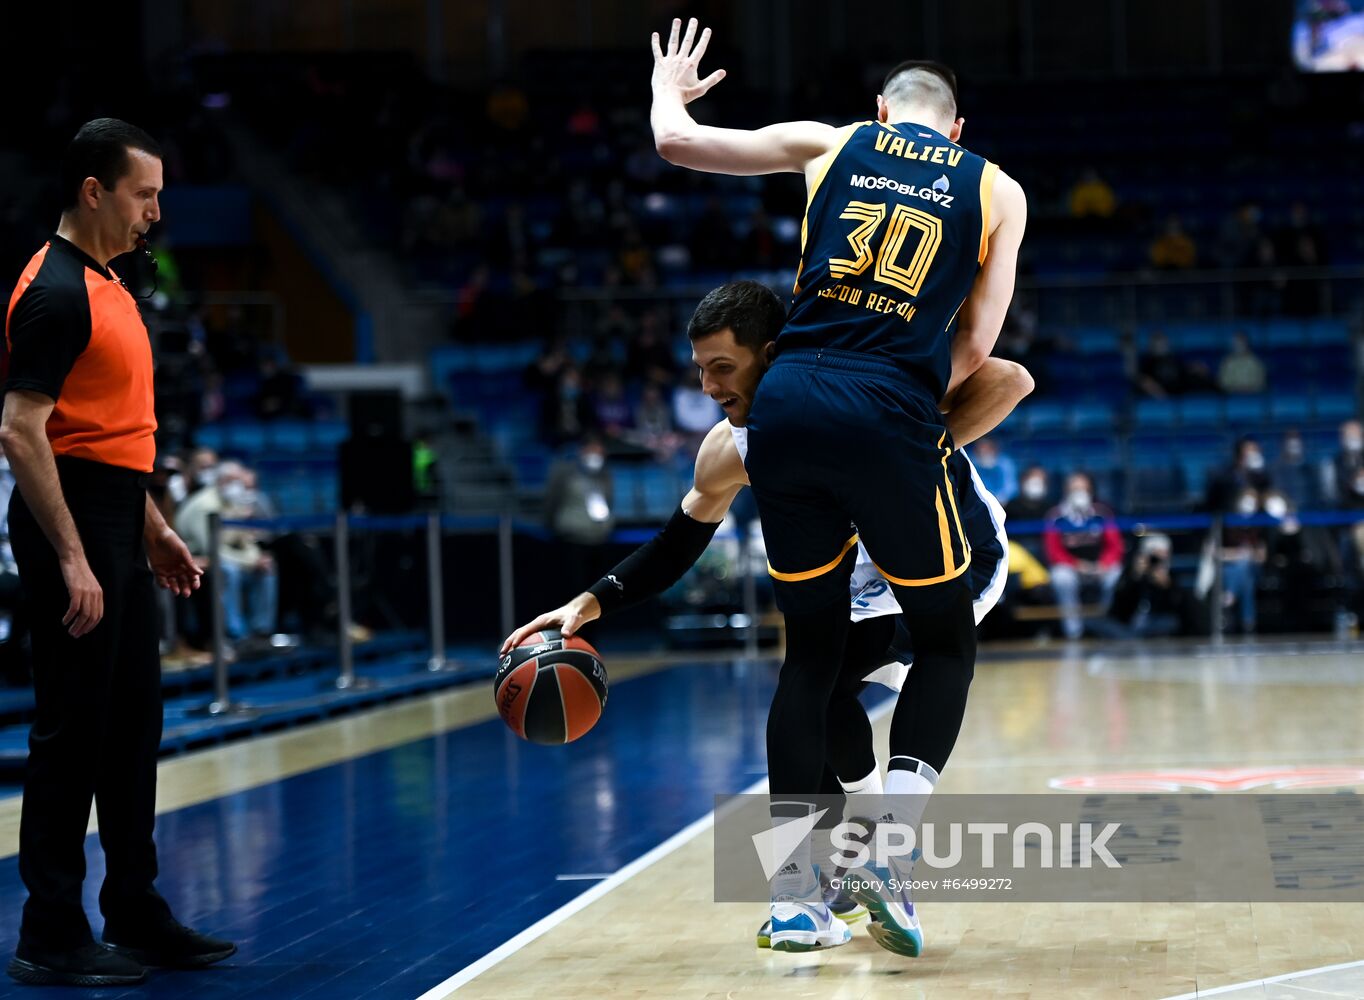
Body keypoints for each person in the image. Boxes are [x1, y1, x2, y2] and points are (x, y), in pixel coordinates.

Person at [500, 280, 1031, 951]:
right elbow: (675, 543)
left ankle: (861, 852)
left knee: (825, 678)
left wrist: (915, 445)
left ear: (773, 354)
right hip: (857, 579)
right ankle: (850, 862)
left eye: (723, 368)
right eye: (699, 371)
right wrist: (590, 601)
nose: (709, 388)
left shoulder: (863, 384)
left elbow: (1010, 379)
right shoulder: (729, 447)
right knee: (812, 687)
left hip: (956, 559)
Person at [655, 34, 1025, 961]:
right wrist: (900, 391)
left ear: (882, 113)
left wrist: (668, 89)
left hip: (788, 402)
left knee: (807, 660)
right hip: (888, 408)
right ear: (958, 127)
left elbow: (680, 146)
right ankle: (885, 856)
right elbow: (979, 345)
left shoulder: (831, 143)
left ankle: (792, 903)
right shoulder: (996, 188)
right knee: (945, 640)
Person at [1, 119, 234, 987]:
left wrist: (155, 527)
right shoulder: (53, 291)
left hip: (112, 513)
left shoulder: (111, 284)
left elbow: (106, 440)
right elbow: (23, 434)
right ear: (94, 191)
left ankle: (134, 910)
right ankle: (50, 931)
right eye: (144, 194)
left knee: (133, 726)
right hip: (70, 523)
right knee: (72, 732)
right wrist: (72, 558)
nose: (156, 213)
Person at [1044, 472, 1125, 639]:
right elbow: (1053, 551)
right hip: (1072, 567)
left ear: (1091, 490)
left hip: (1099, 566)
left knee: (1116, 574)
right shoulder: (1055, 515)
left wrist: (1104, 563)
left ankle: (1105, 624)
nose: (1079, 492)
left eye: (1083, 488)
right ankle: (1074, 631)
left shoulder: (1102, 512)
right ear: (1066, 491)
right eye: (1074, 488)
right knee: (1061, 578)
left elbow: (1115, 546)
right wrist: (1076, 565)